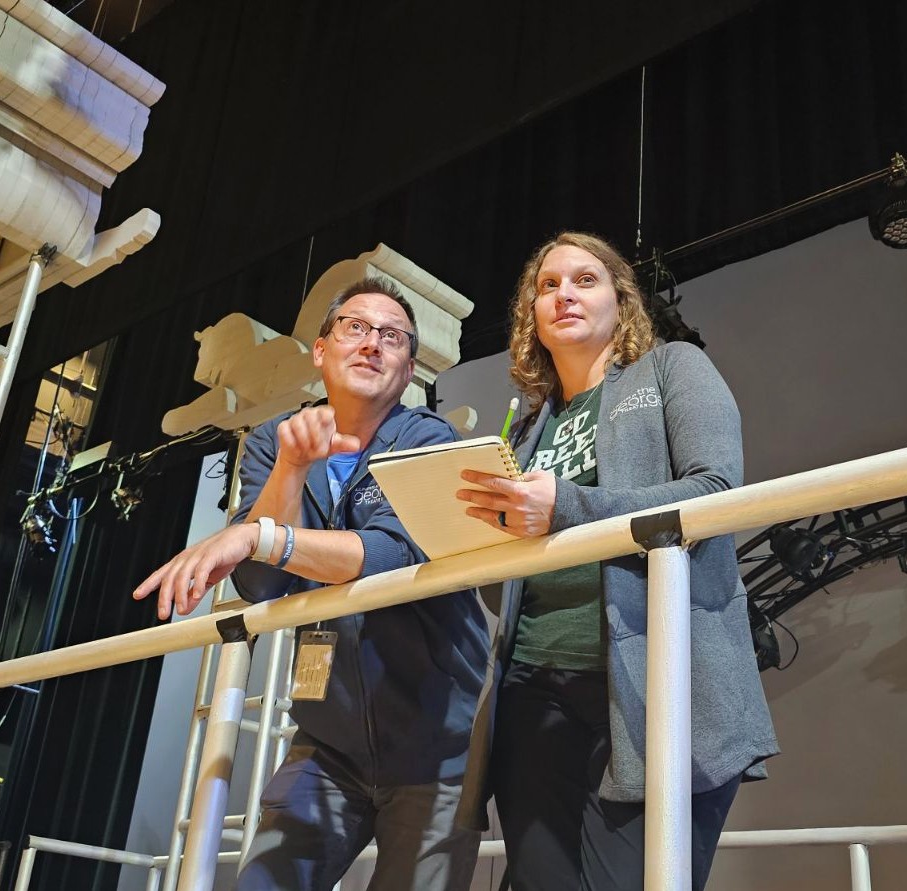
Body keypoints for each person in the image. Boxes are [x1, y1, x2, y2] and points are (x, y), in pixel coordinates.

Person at [134, 276, 489, 891]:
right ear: (321, 350)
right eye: (356, 327)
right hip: (327, 740)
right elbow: (259, 582)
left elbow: (390, 555)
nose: (373, 343)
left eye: (393, 337)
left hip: (435, 742)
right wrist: (292, 473)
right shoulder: (276, 441)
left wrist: (260, 535)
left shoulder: (429, 439)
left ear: (408, 370)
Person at [453, 232, 778, 890]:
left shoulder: (671, 369)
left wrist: (566, 505)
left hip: (649, 685)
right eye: (547, 286)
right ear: (530, 317)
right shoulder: (525, 430)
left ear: (620, 301)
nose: (564, 293)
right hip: (530, 688)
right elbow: (514, 587)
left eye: (584, 279)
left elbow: (716, 492)